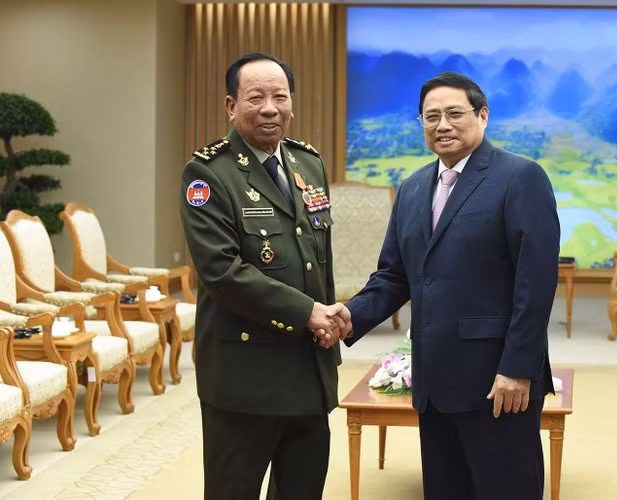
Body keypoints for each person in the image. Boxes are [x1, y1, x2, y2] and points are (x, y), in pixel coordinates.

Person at [330, 72, 560, 499]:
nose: (443, 125)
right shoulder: (413, 187)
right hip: (434, 382)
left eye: (455, 114)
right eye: (431, 116)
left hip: (498, 382)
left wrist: (518, 368)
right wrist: (350, 315)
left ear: (483, 115)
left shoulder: (520, 177)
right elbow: (395, 275)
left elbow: (536, 281)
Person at [180, 52, 343, 500]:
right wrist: (308, 312)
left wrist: (327, 320)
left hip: (308, 369)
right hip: (244, 378)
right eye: (256, 98)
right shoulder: (207, 173)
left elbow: (317, 262)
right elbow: (221, 272)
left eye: (280, 97)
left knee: (302, 490)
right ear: (231, 106)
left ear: (292, 104)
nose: (270, 108)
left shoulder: (308, 163)